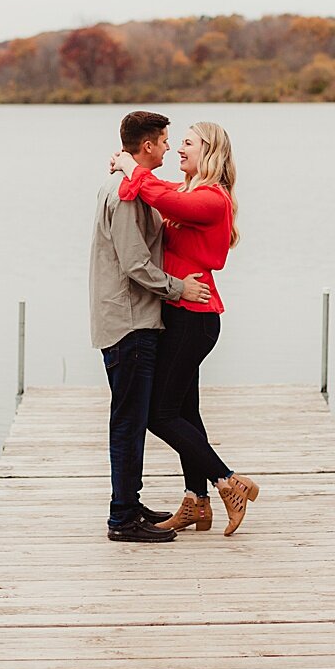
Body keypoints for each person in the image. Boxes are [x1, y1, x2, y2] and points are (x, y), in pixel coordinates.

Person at [111, 121, 259, 536]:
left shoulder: (212, 199)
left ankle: (228, 481)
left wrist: (128, 164)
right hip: (177, 311)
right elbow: (140, 192)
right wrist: (128, 171)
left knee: (159, 413)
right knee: (186, 412)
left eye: (188, 144)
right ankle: (197, 503)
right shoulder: (188, 191)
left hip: (195, 317)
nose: (178, 149)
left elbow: (153, 193)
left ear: (208, 152)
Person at [89, 110, 212, 543]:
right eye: (164, 141)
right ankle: (122, 518)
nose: (170, 147)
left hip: (135, 319)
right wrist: (180, 289)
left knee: (134, 416)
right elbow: (136, 263)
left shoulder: (135, 187)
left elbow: (177, 201)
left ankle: (129, 502)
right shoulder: (125, 194)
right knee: (127, 420)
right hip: (129, 322)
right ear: (146, 146)